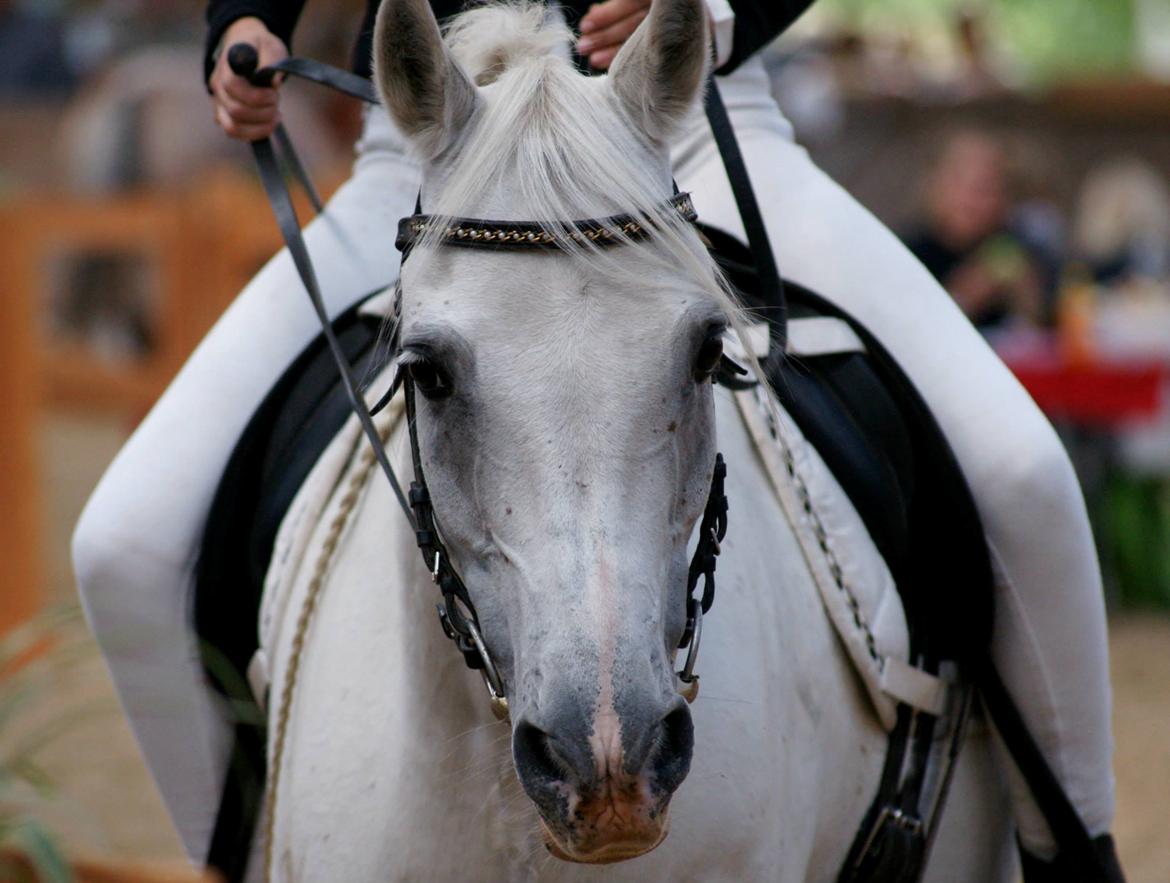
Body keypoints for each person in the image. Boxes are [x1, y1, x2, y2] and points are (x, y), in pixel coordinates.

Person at [73, 0, 1123, 879]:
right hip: (432, 150)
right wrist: (245, 17)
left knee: (1021, 471)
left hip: (690, 121)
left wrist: (713, 14)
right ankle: (237, 857)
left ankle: (1073, 847)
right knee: (124, 543)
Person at [902, 130, 1045, 333]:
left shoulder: (1014, 244)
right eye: (968, 187)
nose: (976, 203)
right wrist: (965, 296)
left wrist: (1026, 297)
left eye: (990, 190)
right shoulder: (910, 254)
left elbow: (1039, 329)